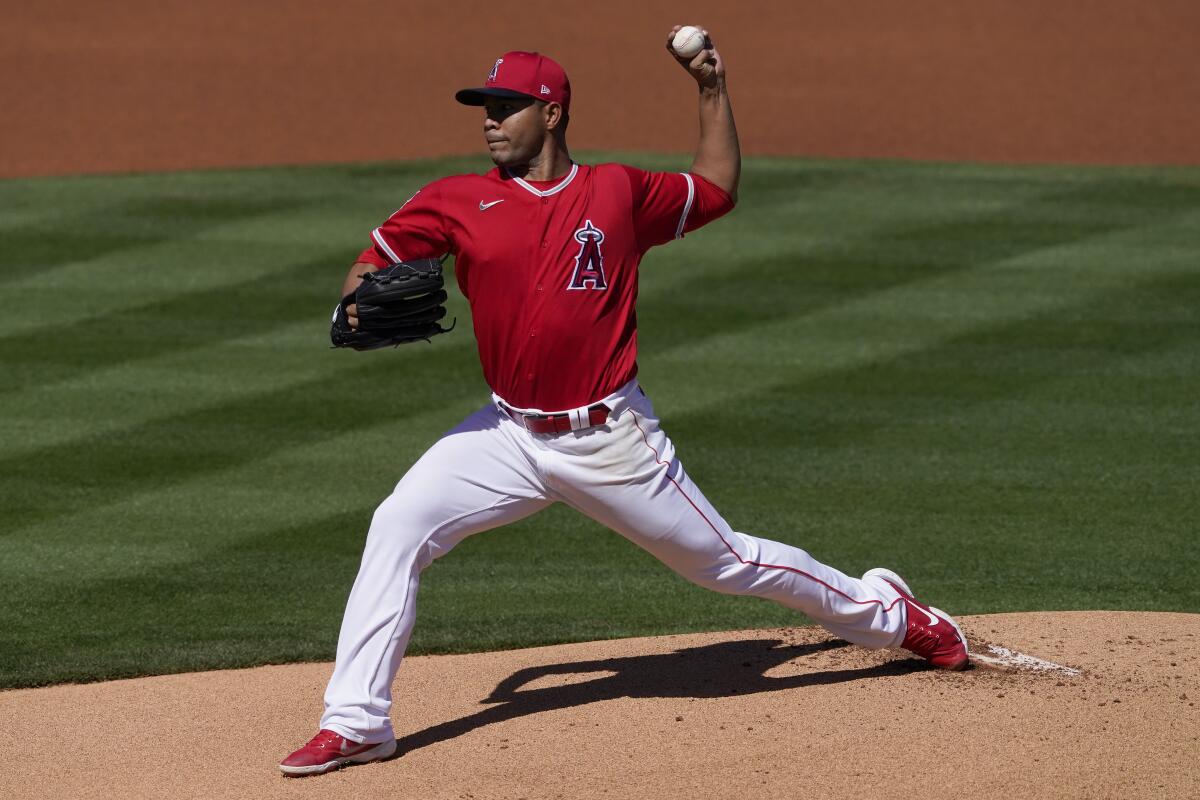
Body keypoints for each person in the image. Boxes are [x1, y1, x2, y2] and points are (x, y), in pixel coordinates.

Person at [279, 27, 968, 777]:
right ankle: (356, 722)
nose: (488, 119)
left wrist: (710, 88)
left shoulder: (617, 192)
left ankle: (897, 616)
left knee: (727, 562)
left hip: (610, 440)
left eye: (506, 106)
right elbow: (374, 259)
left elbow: (716, 187)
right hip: (507, 436)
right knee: (397, 525)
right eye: (484, 106)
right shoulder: (458, 200)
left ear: (552, 114)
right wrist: (353, 300)